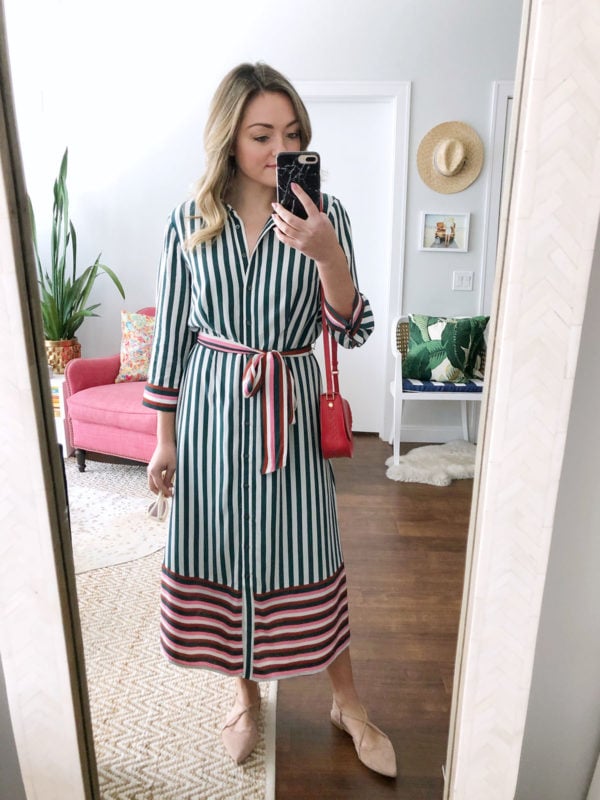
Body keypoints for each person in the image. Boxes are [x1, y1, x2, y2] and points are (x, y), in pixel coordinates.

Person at [144, 62, 396, 779]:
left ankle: (347, 703)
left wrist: (326, 254)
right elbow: (172, 336)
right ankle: (244, 695)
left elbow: (351, 329)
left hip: (290, 406)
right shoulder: (189, 221)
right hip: (213, 411)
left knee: (308, 550)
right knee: (226, 547)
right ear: (229, 137)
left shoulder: (325, 215)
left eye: (291, 134)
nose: (279, 148)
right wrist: (164, 440)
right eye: (261, 134)